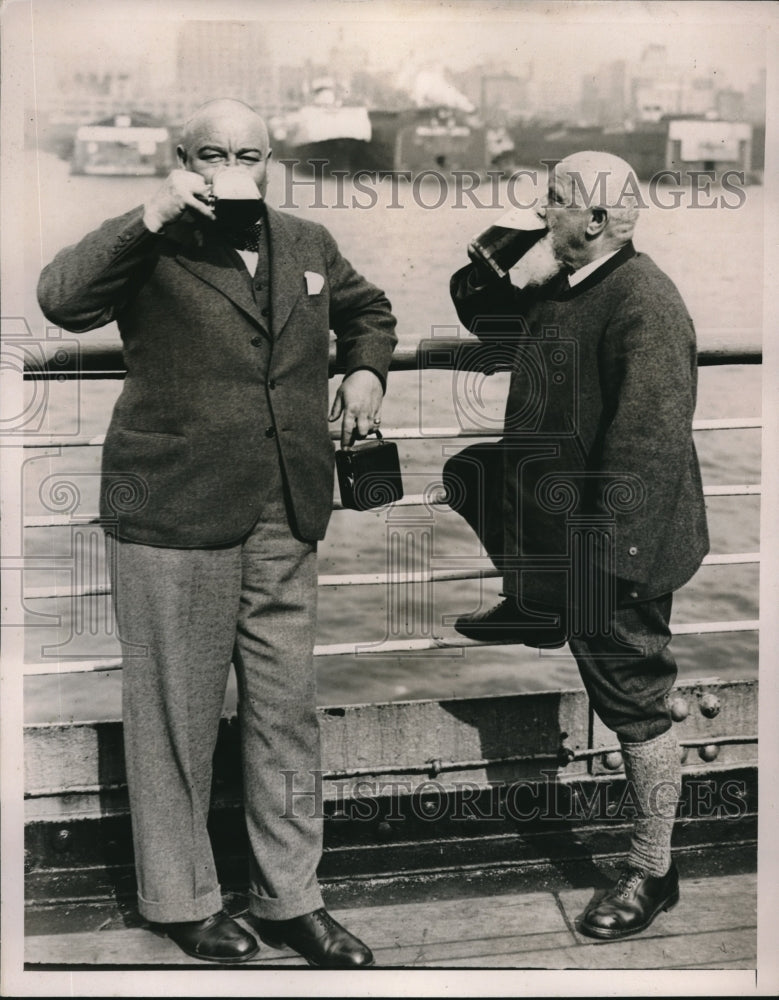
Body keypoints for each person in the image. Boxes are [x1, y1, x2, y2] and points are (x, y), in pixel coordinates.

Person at [37, 99, 397, 967]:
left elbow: (371, 310)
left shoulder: (306, 242)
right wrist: (148, 214)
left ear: (269, 160)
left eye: (247, 153)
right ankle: (182, 899)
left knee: (286, 714)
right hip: (173, 510)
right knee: (174, 716)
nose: (231, 167)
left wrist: (364, 373)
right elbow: (59, 300)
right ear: (182, 160)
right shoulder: (152, 240)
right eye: (211, 153)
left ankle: (290, 898)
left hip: (287, 510)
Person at [447, 150, 709, 939]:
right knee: (471, 473)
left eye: (554, 201)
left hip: (614, 538)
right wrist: (516, 239)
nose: (541, 208)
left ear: (594, 220)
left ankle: (651, 872)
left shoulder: (642, 302)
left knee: (634, 704)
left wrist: (608, 570)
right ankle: (536, 599)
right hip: (559, 514)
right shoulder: (564, 284)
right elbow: (476, 313)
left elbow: (647, 446)